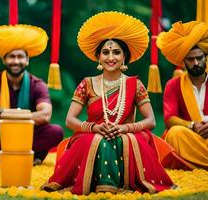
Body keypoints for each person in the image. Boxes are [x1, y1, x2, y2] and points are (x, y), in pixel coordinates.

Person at [41, 11, 175, 194]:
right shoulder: (87, 83)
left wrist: (124, 128)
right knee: (99, 139)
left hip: (126, 133)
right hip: (92, 132)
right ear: (98, 57)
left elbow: (151, 120)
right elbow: (70, 120)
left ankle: (110, 184)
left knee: (117, 139)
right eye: (105, 52)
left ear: (124, 57)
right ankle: (105, 185)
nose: (111, 57)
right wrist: (94, 127)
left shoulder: (134, 84)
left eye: (116, 52)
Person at [0, 24, 64, 164]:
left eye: (20, 57)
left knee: (56, 131)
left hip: (29, 135)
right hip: (0, 135)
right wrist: (24, 115)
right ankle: (29, 157)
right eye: (11, 57)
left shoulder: (37, 84)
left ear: (27, 60)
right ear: (3, 60)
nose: (16, 61)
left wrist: (2, 114)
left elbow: (45, 115)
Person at [157, 21, 208, 170]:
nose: (196, 63)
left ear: (206, 57)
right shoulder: (173, 85)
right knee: (175, 134)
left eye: (200, 58)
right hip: (190, 138)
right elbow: (169, 119)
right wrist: (192, 126)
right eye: (190, 59)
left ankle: (193, 163)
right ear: (183, 62)